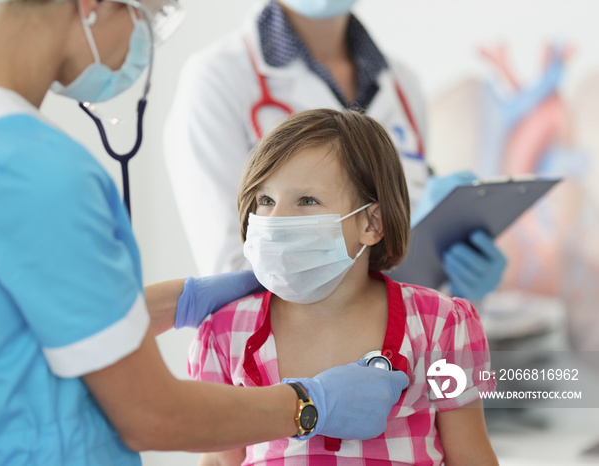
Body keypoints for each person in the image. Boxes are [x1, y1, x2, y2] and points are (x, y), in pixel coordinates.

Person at [0, 0, 410, 464]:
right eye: (153, 17)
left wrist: (171, 303)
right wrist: (307, 403)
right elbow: (150, 414)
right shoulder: (36, 174)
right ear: (94, 5)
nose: (143, 46)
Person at [188, 109, 498, 466]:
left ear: (372, 222)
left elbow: (472, 456)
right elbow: (219, 459)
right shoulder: (226, 333)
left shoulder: (440, 325)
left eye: (306, 201)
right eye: (265, 200)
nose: (274, 222)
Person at [164, 0, 507, 302]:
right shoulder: (217, 79)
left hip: (402, 351)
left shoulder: (402, 83)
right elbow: (232, 274)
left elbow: (408, 269)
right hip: (285, 364)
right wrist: (405, 242)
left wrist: (451, 282)